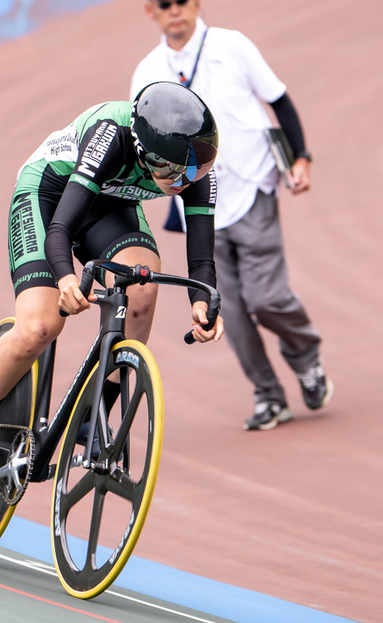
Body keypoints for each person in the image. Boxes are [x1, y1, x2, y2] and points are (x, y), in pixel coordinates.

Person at [0, 81, 224, 481]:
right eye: (178, 174)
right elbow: (61, 228)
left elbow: (201, 257)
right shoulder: (110, 138)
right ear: (148, 156)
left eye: (196, 172)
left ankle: (93, 414)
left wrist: (200, 304)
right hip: (48, 194)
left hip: (109, 203)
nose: (189, 182)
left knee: (143, 292)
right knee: (40, 326)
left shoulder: (196, 169)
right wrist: (64, 277)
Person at [130, 0, 332, 431]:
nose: (175, 11)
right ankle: (268, 395)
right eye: (164, 4)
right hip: (197, 208)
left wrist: (302, 158)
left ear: (196, 3)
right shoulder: (147, 73)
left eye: (182, 1)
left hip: (251, 187)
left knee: (266, 298)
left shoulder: (231, 46)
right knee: (229, 312)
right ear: (151, 11)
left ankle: (306, 358)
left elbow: (278, 99)